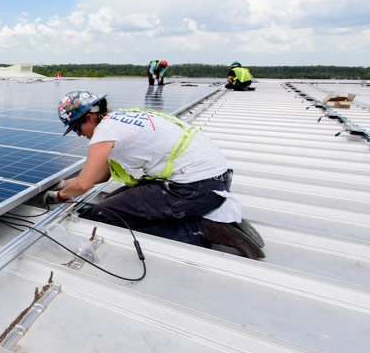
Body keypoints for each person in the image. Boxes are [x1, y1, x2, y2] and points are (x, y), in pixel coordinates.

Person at [42, 90, 264, 259]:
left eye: (77, 129)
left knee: (103, 215)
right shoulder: (120, 120)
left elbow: (83, 185)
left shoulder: (104, 132)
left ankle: (200, 230)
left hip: (194, 187)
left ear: (89, 118)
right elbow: (102, 175)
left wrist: (57, 197)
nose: (80, 135)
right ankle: (212, 217)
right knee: (111, 202)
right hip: (210, 180)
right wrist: (62, 183)